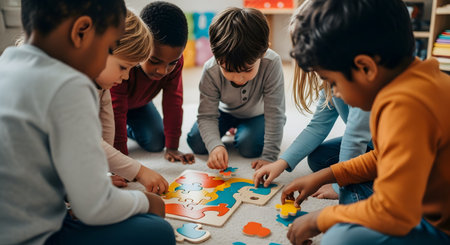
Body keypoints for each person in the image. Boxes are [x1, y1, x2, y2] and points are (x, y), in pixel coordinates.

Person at [0, 1, 175, 244]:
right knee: (158, 231)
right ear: (81, 32)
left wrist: (95, 179)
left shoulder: (7, 63)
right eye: (110, 45)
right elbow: (95, 208)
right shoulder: (70, 85)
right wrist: (146, 201)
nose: (125, 76)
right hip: (36, 235)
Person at [281, 0, 450, 244]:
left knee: (338, 238)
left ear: (366, 68)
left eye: (333, 82)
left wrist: (321, 218)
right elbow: (383, 157)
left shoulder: (404, 106)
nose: (335, 93)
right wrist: (326, 175)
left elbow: (394, 213)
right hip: (422, 202)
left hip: (438, 227)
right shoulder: (416, 81)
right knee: (347, 181)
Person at [253, 63, 372, 200]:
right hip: (369, 143)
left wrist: (340, 185)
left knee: (353, 195)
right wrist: (281, 162)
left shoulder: (361, 86)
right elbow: (318, 126)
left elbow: (354, 138)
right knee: (318, 159)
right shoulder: (331, 85)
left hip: (389, 151)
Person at [186, 7, 286, 170]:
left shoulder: (271, 62)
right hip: (224, 113)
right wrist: (215, 146)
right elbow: (206, 115)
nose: (238, 78)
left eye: (247, 70)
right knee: (197, 142)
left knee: (250, 147)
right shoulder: (211, 69)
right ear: (215, 54)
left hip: (258, 115)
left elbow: (275, 112)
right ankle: (232, 129)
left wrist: (269, 156)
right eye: (229, 70)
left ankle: (241, 130)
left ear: (263, 51)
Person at [110, 1, 194, 164]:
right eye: (155, 61)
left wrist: (172, 147)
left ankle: (128, 128)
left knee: (156, 143)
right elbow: (115, 109)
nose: (163, 70)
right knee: (105, 134)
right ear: (142, 45)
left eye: (172, 63)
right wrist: (121, 160)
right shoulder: (125, 61)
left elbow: (174, 101)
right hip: (110, 107)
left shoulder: (175, 62)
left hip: (139, 105)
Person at [95, 9, 168, 194]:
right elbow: (88, 142)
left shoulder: (101, 83)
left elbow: (106, 126)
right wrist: (139, 171)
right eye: (123, 67)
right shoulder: (72, 85)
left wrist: (103, 171)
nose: (126, 76)